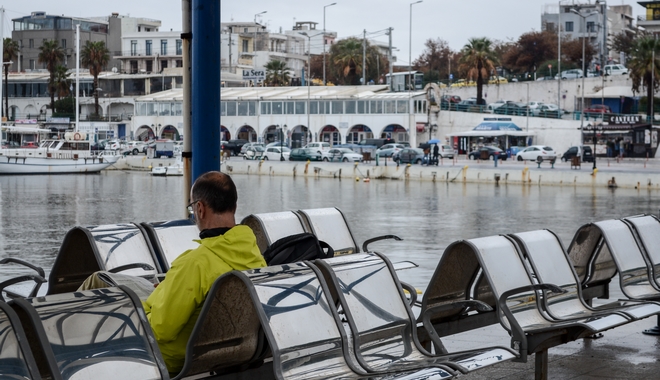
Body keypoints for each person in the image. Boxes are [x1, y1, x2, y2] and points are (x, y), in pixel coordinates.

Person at [143, 171, 266, 374]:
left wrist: (141, 307)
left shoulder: (196, 263)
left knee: (100, 282)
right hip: (220, 358)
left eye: (192, 207)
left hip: (167, 358)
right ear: (234, 206)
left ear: (199, 209)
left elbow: (159, 330)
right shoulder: (255, 256)